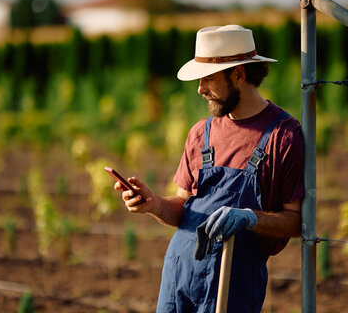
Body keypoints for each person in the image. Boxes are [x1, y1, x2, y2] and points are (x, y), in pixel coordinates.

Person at [114, 24, 304, 313]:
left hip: (233, 283)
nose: (200, 89)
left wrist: (249, 218)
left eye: (208, 79)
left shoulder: (284, 136)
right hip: (179, 275)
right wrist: (153, 204)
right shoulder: (200, 133)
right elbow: (182, 206)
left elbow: (295, 221)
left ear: (239, 74)